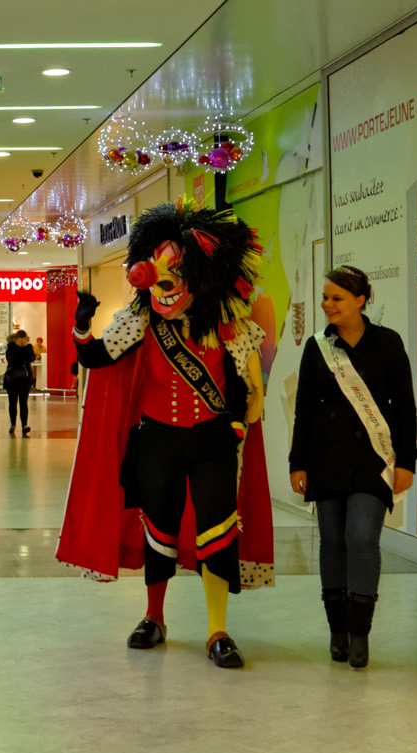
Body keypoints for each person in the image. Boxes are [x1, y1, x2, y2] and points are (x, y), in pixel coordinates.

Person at [57, 204, 275, 670]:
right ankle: (154, 617)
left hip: (214, 443)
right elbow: (96, 357)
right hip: (157, 441)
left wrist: (238, 420)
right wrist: (80, 326)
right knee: (159, 530)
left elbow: (247, 392)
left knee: (217, 533)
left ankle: (218, 629)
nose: (164, 284)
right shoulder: (139, 322)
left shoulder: (229, 326)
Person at [290, 266, 416, 670]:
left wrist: (407, 462)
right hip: (326, 461)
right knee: (332, 542)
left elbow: (406, 409)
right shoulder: (316, 348)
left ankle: (360, 631)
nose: (327, 305)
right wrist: (298, 462)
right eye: (325, 298)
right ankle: (337, 630)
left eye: (336, 298)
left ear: (361, 300)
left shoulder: (388, 344)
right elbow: (304, 410)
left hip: (372, 463)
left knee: (361, 538)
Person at [2, 329, 37, 437]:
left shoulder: (29, 347)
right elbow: (10, 358)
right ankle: (13, 424)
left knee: (23, 402)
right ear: (16, 339)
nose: (22, 342)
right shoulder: (11, 346)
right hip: (12, 379)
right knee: (12, 402)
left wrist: (24, 348)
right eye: (21, 340)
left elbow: (32, 358)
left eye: (24, 340)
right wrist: (19, 348)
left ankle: (24, 425)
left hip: (25, 380)